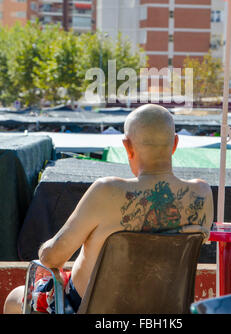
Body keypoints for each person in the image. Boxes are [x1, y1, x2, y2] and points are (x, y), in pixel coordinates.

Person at [4, 104, 213, 314]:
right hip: (163, 313)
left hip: (86, 309)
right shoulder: (201, 195)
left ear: (127, 146)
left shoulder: (106, 191)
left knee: (16, 297)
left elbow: (51, 259)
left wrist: (46, 250)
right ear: (175, 144)